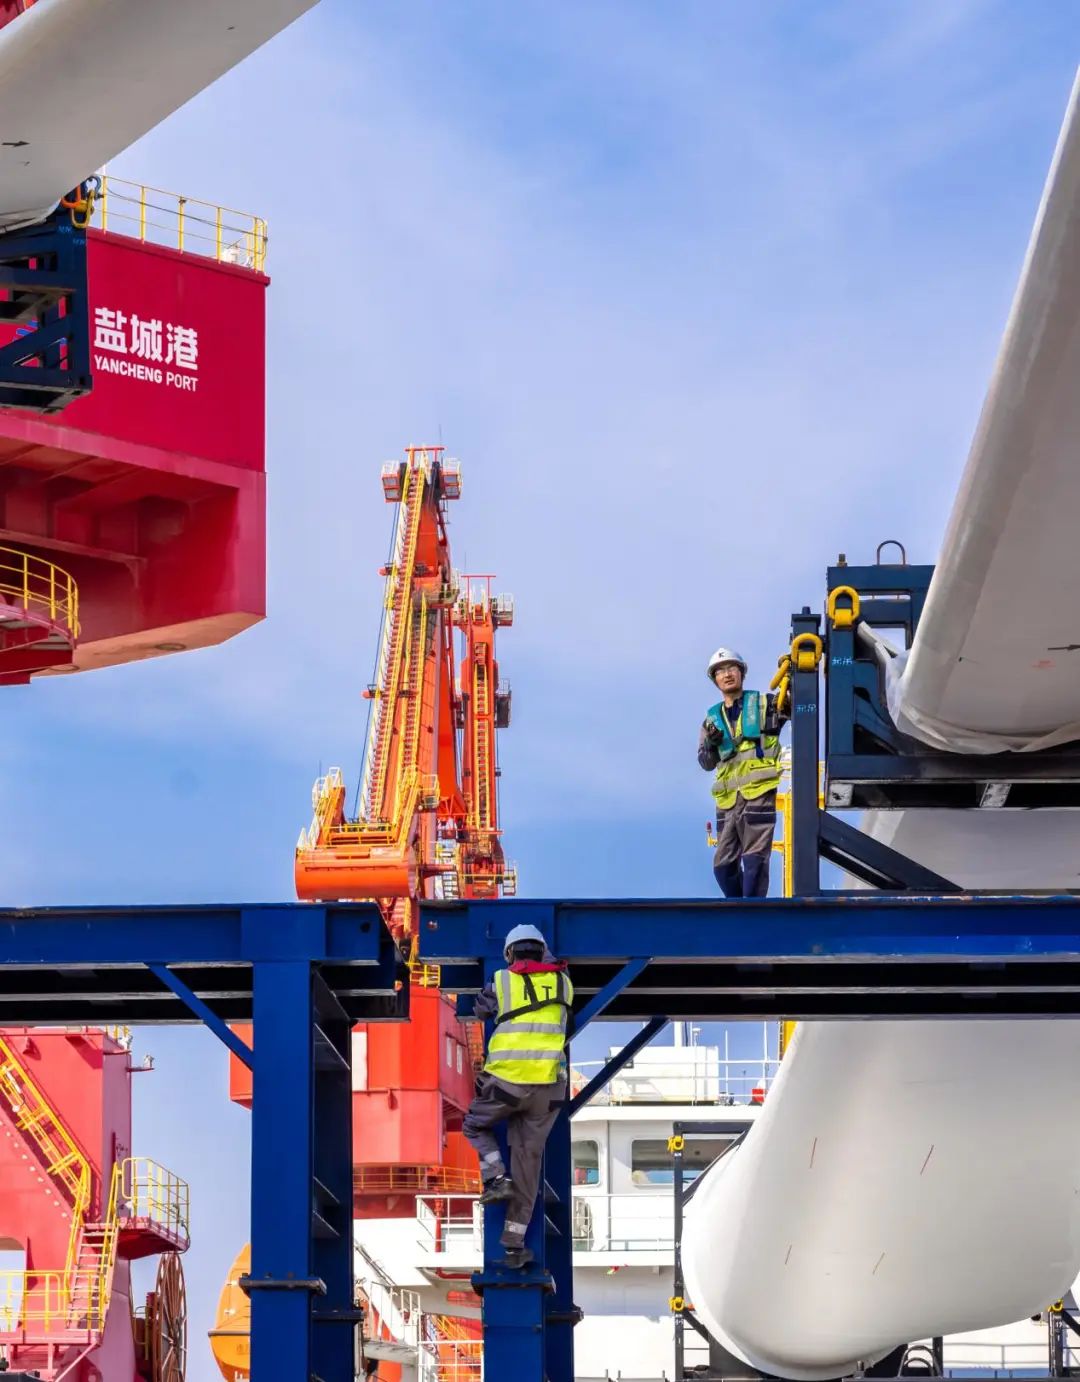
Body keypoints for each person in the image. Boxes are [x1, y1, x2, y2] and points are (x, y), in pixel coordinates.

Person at [462, 923, 574, 1269]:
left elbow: (481, 1011)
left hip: (507, 1084)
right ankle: (514, 1243)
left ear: (509, 953)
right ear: (542, 951)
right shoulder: (564, 983)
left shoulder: (500, 981)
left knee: (474, 1125)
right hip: (548, 1090)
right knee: (529, 1163)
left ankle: (496, 1177)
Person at [698, 647, 786, 898]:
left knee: (754, 859)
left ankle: (752, 910)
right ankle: (738, 908)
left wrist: (793, 675)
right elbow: (705, 762)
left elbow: (793, 705)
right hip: (727, 800)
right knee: (722, 866)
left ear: (741, 673)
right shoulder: (711, 721)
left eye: (731, 668)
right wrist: (711, 744)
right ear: (715, 679)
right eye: (720, 671)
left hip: (758, 792)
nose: (727, 674)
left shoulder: (764, 705)